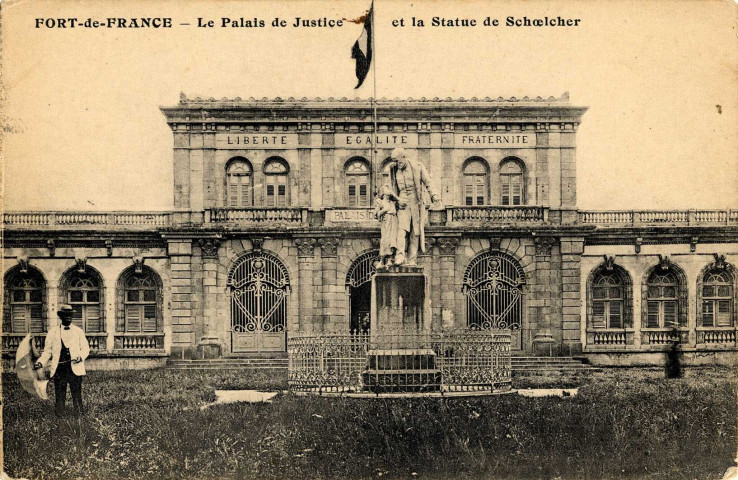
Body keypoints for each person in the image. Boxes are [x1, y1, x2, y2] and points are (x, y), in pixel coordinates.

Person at [385, 147, 440, 266]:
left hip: (416, 202)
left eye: (398, 161)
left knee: (415, 232)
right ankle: (400, 256)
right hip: (402, 202)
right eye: (394, 161)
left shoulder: (417, 166)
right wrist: (397, 199)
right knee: (401, 229)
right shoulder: (393, 169)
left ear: (404, 157)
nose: (397, 164)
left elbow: (428, 182)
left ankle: (412, 259)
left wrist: (434, 195)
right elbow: (388, 188)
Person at [35, 304, 90, 417]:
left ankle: (79, 414)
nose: (68, 318)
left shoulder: (78, 331)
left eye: (70, 315)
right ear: (61, 317)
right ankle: (60, 416)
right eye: (65, 315)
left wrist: (80, 357)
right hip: (60, 369)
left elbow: (85, 348)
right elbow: (47, 352)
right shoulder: (53, 332)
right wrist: (40, 362)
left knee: (76, 392)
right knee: (60, 393)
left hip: (75, 367)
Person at [374, 184, 400, 268]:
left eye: (389, 194)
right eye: (387, 193)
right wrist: (385, 210)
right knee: (385, 240)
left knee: (393, 240)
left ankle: (389, 260)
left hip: (394, 221)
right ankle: (382, 260)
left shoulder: (392, 203)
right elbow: (376, 214)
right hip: (386, 222)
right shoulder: (380, 202)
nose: (388, 195)